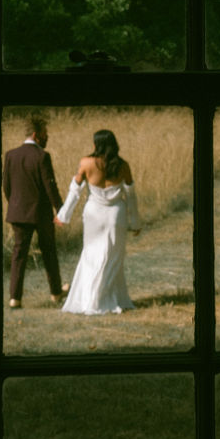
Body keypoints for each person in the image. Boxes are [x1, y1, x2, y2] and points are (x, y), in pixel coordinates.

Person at [56, 128, 140, 315]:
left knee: (91, 255)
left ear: (97, 144)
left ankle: (90, 298)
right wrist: (135, 222)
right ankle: (106, 297)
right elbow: (131, 195)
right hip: (115, 215)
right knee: (113, 257)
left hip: (93, 213)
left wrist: (63, 215)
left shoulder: (86, 163)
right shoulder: (123, 165)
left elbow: (74, 191)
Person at [2, 111, 67, 309]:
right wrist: (61, 210)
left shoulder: (11, 155)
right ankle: (56, 293)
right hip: (40, 213)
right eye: (45, 133)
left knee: (18, 255)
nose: (47, 137)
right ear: (37, 135)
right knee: (49, 252)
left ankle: (15, 298)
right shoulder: (42, 156)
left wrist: (15, 203)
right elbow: (50, 187)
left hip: (18, 212)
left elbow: (6, 186)